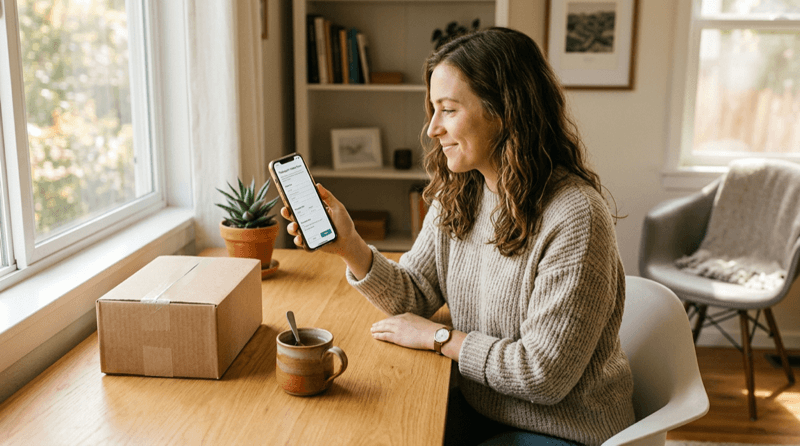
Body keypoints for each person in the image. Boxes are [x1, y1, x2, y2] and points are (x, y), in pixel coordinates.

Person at [281, 27, 635, 446]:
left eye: (448, 110)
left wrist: (439, 337)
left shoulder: (574, 214)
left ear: (505, 111)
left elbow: (543, 376)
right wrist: (350, 246)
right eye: (432, 109)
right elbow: (415, 295)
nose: (432, 128)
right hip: (481, 407)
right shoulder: (462, 192)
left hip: (564, 430)